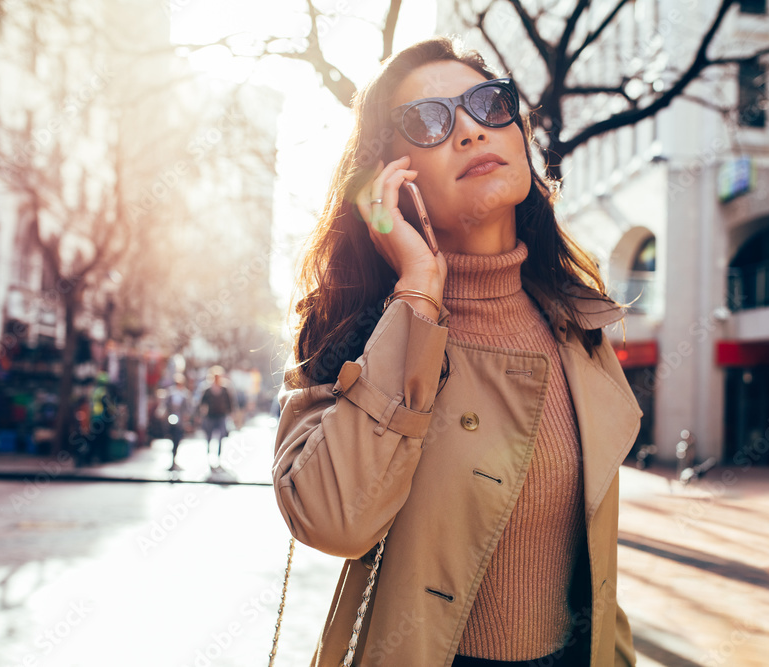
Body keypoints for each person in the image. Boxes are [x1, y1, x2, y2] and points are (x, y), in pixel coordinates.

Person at [272, 37, 642, 667]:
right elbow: (335, 520)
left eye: (488, 104)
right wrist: (417, 290)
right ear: (390, 177)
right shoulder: (363, 334)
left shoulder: (577, 325)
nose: (470, 130)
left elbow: (597, 566)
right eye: (429, 120)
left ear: (521, 133)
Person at [199, 366, 232, 471]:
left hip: (221, 416)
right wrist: (201, 414)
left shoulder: (225, 389)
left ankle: (219, 458)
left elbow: (230, 403)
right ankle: (209, 457)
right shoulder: (207, 390)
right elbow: (201, 403)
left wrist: (231, 415)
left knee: (221, 437)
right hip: (210, 416)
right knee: (209, 437)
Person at [164, 374, 193, 471]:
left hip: (180, 421)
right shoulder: (171, 393)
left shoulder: (185, 394)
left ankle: (174, 459)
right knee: (172, 439)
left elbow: (188, 408)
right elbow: (166, 405)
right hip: (171, 420)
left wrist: (187, 419)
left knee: (177, 439)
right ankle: (172, 460)